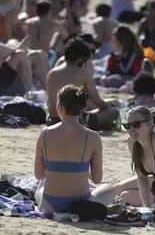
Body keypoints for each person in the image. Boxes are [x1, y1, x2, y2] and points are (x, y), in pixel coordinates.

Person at [34, 84, 117, 213]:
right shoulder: (93, 137)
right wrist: (78, 171)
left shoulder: (44, 133)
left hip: (50, 205)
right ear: (82, 108)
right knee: (110, 189)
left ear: (60, 107)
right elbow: (96, 179)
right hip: (81, 203)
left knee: (39, 190)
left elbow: (39, 175)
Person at [46, 37, 117, 128]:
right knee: (113, 112)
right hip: (74, 122)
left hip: (53, 120)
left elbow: (50, 101)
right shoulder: (83, 74)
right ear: (80, 59)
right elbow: (97, 102)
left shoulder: (52, 73)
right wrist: (109, 106)